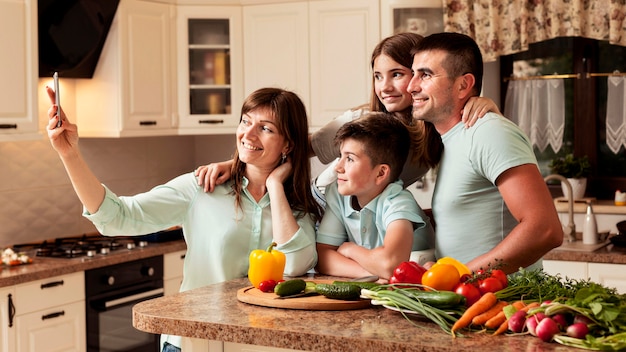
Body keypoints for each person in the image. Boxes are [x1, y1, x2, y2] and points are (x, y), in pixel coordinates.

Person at [44, 87, 323, 352]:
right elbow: (117, 217)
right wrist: (70, 155)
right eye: (245, 121)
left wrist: (275, 185)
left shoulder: (298, 206)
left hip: (260, 344)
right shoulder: (201, 187)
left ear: (288, 143)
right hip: (195, 341)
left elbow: (297, 264)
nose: (248, 134)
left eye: (265, 128)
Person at [407, 32, 563, 274]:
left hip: (506, 304)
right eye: (413, 73)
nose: (411, 86)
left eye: (425, 75)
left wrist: (460, 276)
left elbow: (545, 230)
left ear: (463, 85)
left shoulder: (489, 132)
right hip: (468, 302)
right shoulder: (452, 139)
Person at [315, 112, 434, 280]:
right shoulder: (337, 193)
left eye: (349, 159)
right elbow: (323, 257)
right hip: (380, 287)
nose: (338, 168)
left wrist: (350, 250)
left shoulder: (398, 202)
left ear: (381, 173)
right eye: (340, 156)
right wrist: (370, 273)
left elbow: (390, 265)